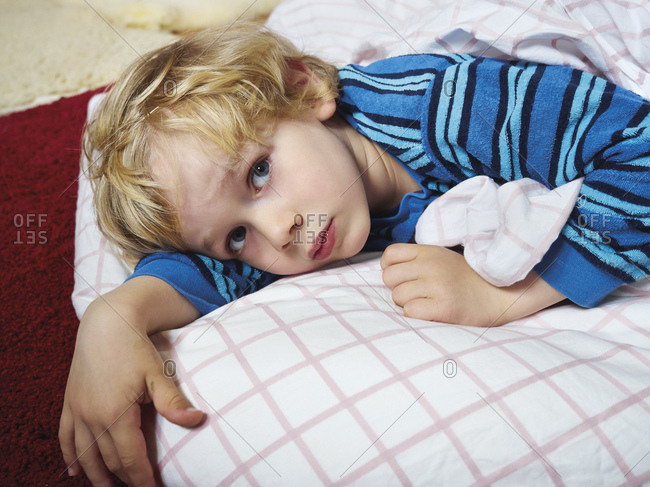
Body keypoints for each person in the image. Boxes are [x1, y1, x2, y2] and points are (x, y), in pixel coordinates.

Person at [59, 21, 650, 486]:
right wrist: (117, 318)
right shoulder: (308, 210)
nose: (278, 229)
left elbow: (640, 153)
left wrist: (504, 292)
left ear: (307, 91)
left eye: (259, 173)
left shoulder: (449, 108)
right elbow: (204, 269)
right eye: (238, 234)